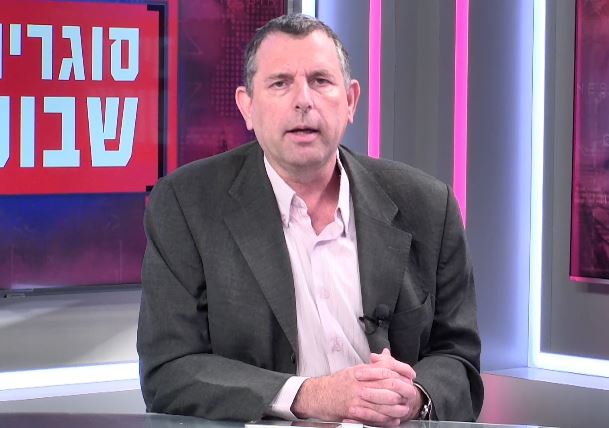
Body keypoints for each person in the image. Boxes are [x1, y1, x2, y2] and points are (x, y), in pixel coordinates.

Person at [137, 14, 483, 426]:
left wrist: (416, 397)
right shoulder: (186, 204)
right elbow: (169, 372)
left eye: (320, 81)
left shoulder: (428, 205)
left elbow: (459, 360)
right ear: (247, 106)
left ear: (350, 101)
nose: (303, 100)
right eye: (280, 83)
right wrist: (310, 396)